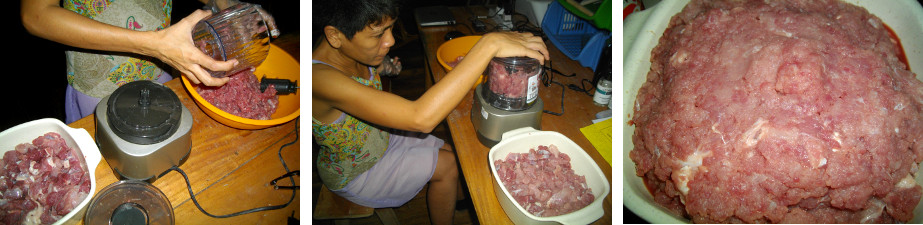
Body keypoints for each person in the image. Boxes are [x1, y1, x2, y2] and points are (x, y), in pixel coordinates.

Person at [312, 0, 549, 224]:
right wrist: (490, 44)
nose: (391, 41)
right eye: (378, 34)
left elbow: (360, 78)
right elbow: (420, 118)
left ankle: (457, 198)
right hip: (356, 172)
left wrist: (384, 67)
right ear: (335, 35)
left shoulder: (355, 53)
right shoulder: (318, 79)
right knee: (448, 166)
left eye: (391, 29)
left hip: (379, 140)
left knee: (455, 154)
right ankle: (452, 202)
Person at [21, 0, 241, 123]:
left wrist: (231, 6)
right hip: (99, 84)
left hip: (159, 67)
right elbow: (36, 15)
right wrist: (154, 45)